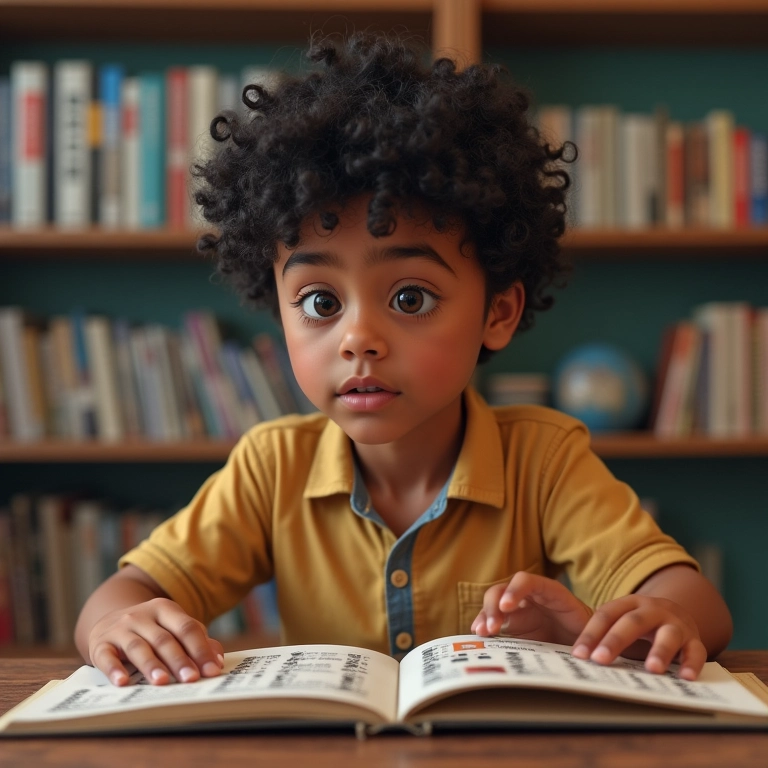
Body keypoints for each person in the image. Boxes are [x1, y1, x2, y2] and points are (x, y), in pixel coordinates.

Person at [74, 31, 732, 687]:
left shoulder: (546, 460)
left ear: (497, 312)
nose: (358, 339)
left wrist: (660, 616)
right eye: (320, 302)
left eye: (410, 297)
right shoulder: (271, 468)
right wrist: (119, 623)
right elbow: (125, 592)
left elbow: (690, 599)